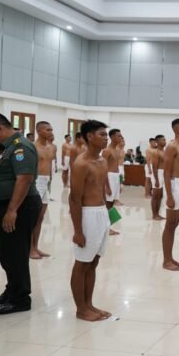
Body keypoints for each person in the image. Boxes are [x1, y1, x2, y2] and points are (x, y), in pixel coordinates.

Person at [0, 113, 42, 315]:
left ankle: (20, 298)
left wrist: (12, 210)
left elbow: (24, 179)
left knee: (15, 253)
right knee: (8, 253)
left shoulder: (20, 147)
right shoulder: (8, 148)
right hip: (7, 206)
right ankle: (12, 290)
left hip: (18, 207)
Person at [69, 119, 112, 321]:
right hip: (87, 215)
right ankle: (80, 309)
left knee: (93, 262)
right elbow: (74, 199)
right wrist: (78, 230)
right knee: (82, 264)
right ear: (89, 136)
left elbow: (101, 190)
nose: (106, 138)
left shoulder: (103, 161)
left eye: (106, 134)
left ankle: (89, 304)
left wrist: (108, 218)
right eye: (102, 134)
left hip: (102, 213)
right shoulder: (81, 164)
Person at [162, 119, 179, 271]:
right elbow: (166, 172)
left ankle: (171, 257)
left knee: (176, 223)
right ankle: (166, 261)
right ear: (176, 129)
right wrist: (170, 196)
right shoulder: (171, 147)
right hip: (173, 184)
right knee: (170, 224)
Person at [30, 121, 56, 259]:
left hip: (46, 181)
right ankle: (29, 249)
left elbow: (50, 164)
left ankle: (35, 246)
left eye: (51, 129)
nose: (51, 132)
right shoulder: (33, 147)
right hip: (36, 181)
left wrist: (50, 180)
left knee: (40, 217)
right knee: (32, 217)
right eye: (47, 129)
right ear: (39, 131)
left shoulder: (52, 147)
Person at [102, 129, 124, 235]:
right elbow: (103, 168)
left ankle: (108, 227)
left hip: (115, 177)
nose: (120, 137)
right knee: (107, 203)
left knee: (111, 204)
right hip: (109, 177)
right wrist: (107, 186)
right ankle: (104, 228)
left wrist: (119, 183)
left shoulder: (117, 150)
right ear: (112, 137)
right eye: (118, 136)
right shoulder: (107, 151)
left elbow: (117, 168)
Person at [150, 135, 166, 220]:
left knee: (160, 196)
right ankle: (154, 215)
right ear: (158, 141)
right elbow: (154, 167)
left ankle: (158, 214)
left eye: (165, 140)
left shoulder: (164, 151)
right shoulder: (156, 152)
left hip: (163, 174)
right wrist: (156, 179)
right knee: (155, 195)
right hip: (158, 174)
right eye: (163, 140)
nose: (165, 141)